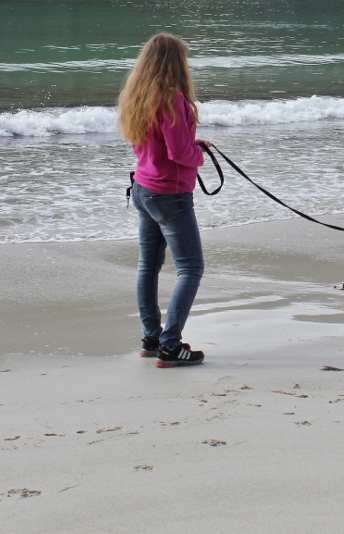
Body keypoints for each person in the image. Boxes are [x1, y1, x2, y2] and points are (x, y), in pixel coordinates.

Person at [117, 33, 210, 368]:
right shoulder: (172, 99)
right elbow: (179, 153)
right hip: (170, 195)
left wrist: (189, 142)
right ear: (176, 63)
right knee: (191, 267)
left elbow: (159, 144)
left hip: (143, 189)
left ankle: (152, 338)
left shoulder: (138, 96)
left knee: (148, 267)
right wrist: (198, 152)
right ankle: (171, 345)